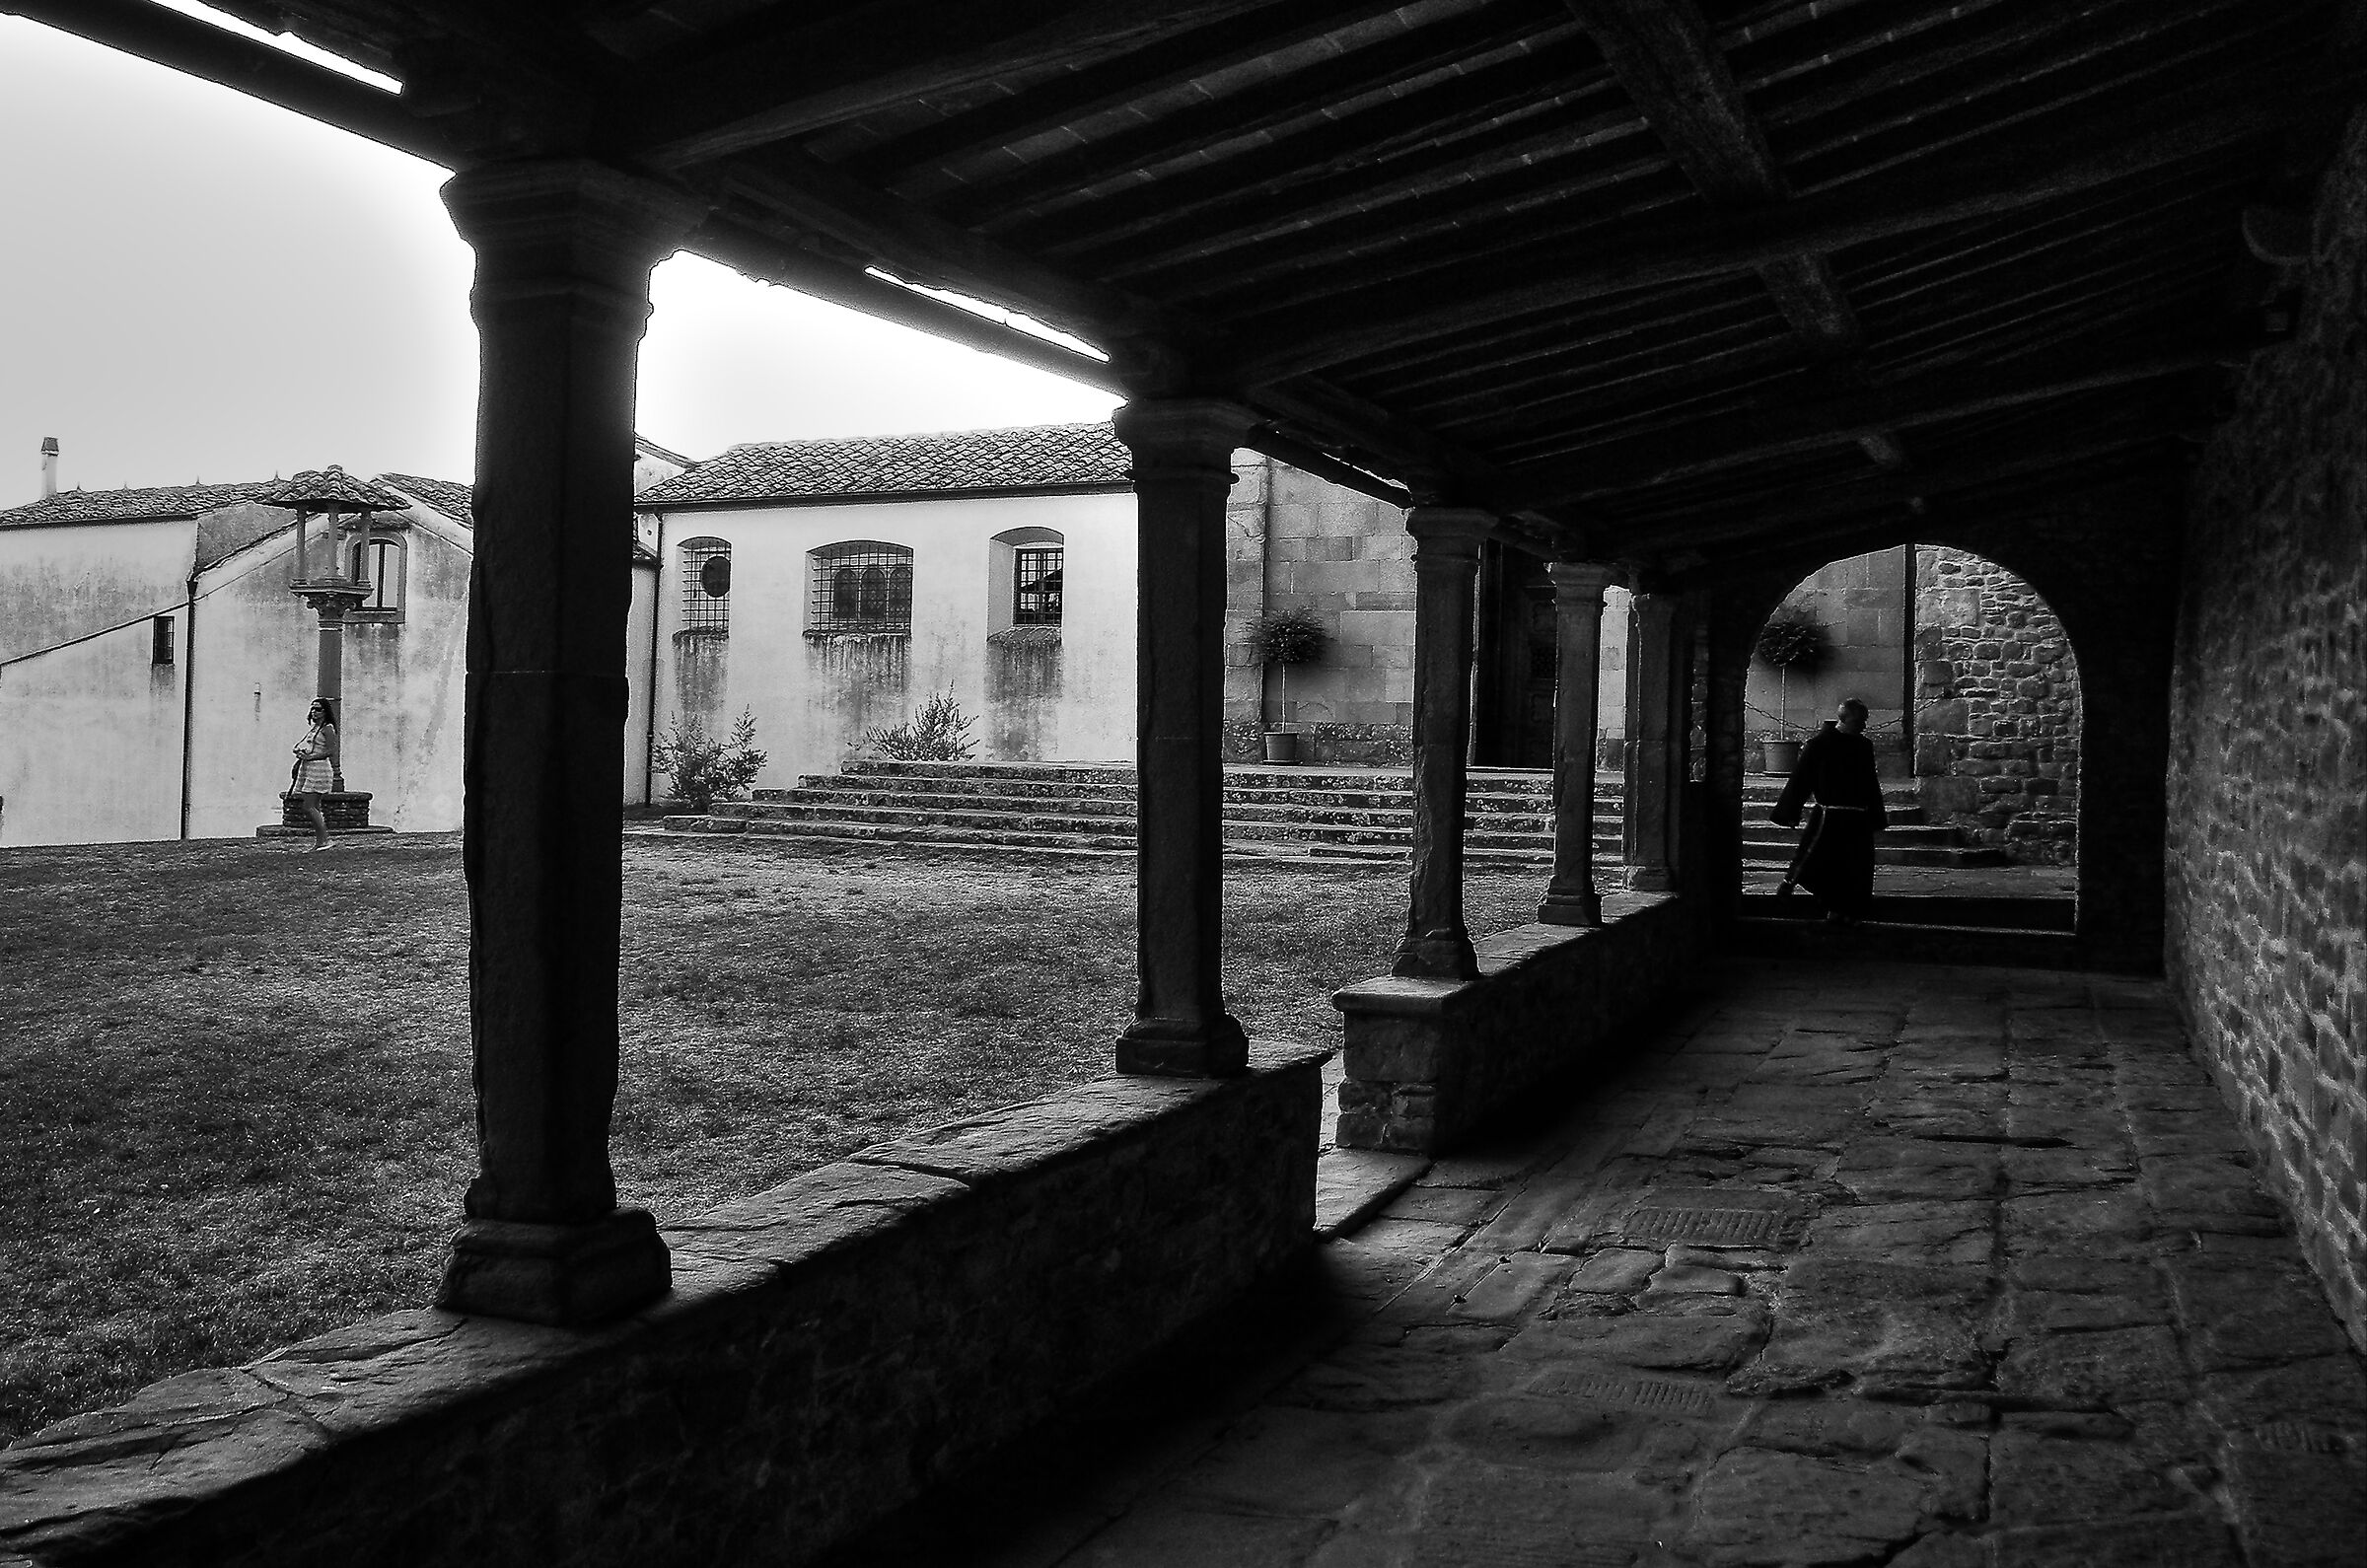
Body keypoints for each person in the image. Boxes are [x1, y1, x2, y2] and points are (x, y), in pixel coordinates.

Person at [1768, 698, 1888, 922]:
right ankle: (1805, 894)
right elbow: (1801, 780)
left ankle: (1850, 912)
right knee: (1820, 861)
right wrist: (1789, 812)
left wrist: (1876, 816)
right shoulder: (1819, 745)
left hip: (1858, 819)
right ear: (1843, 719)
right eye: (1858, 720)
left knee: (1855, 868)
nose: (1862, 725)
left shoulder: (1864, 746)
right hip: (1829, 817)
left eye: (1864, 721)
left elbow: (1870, 783)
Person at [289, 698, 341, 851]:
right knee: (314, 807)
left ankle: (324, 839)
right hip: (309, 768)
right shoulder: (314, 728)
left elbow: (330, 751)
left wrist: (310, 757)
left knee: (309, 805)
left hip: (319, 769)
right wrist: (303, 754)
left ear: (325, 711)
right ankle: (320, 841)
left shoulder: (327, 728)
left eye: (318, 709)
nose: (314, 712)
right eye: (313, 709)